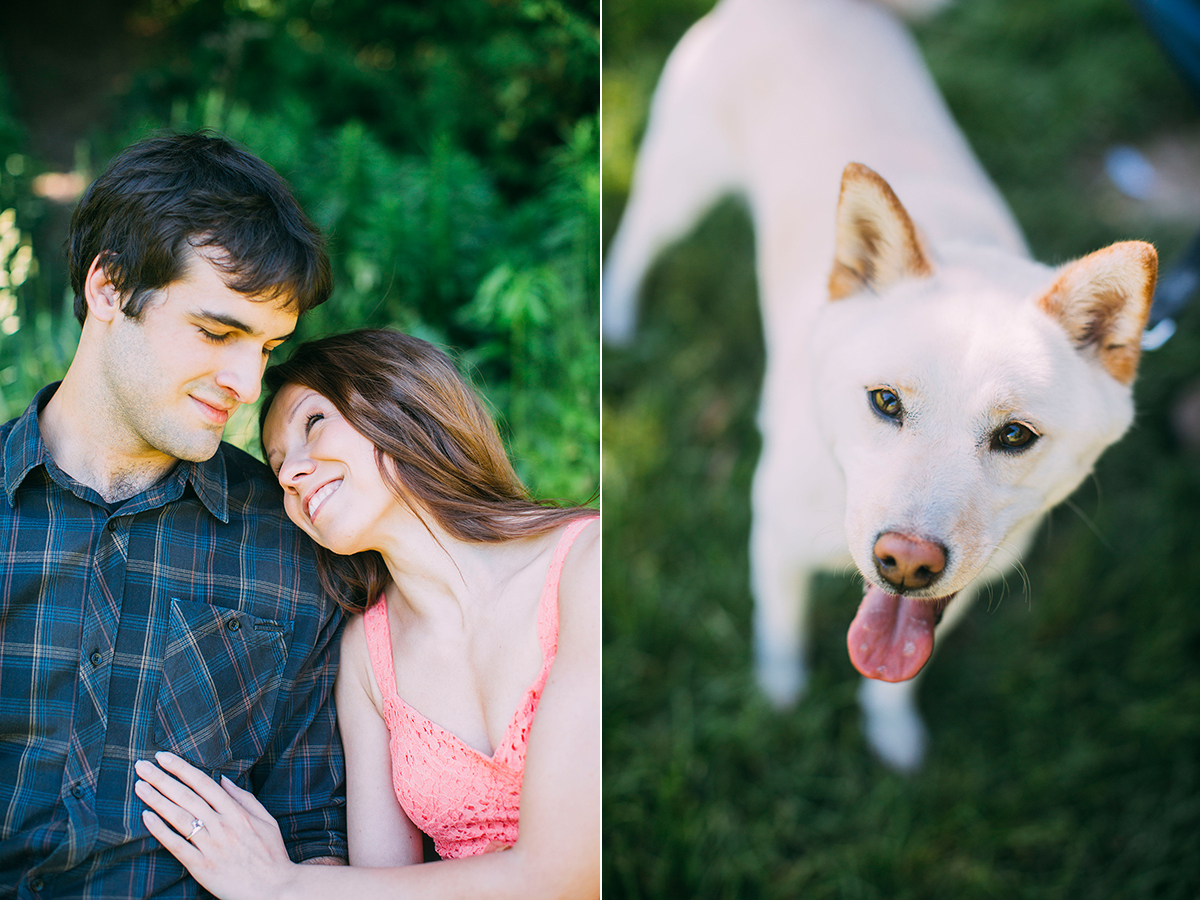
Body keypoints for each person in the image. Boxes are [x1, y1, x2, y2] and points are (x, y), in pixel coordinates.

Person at [133, 329, 600, 899]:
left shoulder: (585, 567)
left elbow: (567, 873)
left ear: (396, 399)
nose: (289, 474)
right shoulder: (366, 654)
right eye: (277, 464)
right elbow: (379, 887)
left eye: (313, 423)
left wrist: (279, 886)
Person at [0, 131, 348, 897]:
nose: (246, 384)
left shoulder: (296, 543)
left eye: (266, 347)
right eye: (218, 331)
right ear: (108, 289)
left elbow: (316, 829)